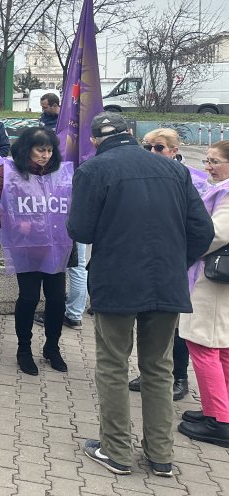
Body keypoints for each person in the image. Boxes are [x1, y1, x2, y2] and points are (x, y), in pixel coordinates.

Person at [68, 112, 212, 477]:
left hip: (116, 280)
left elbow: (80, 229)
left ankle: (116, 451)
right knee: (159, 368)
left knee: (113, 366)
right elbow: (202, 230)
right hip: (166, 282)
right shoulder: (176, 171)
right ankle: (160, 455)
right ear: (131, 134)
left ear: (96, 142)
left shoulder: (93, 170)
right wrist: (175, 262)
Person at [0, 127, 73, 375]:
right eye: (41, 150)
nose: (46, 155)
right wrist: (14, 223)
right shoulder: (8, 173)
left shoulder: (61, 174)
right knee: (29, 299)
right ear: (27, 148)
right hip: (27, 248)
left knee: (56, 300)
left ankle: (52, 348)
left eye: (50, 150)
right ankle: (24, 350)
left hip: (56, 248)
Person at [126, 128, 201, 400]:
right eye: (147, 148)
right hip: (147, 259)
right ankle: (151, 372)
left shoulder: (189, 178)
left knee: (177, 324)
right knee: (149, 320)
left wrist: (184, 256)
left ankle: (178, 376)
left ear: (174, 150)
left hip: (180, 262)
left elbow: (200, 226)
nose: (152, 153)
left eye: (159, 148)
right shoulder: (141, 174)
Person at [179, 140, 229, 446]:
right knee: (221, 349)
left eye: (214, 161)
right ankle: (219, 409)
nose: (207, 166)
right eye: (206, 160)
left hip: (211, 280)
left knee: (202, 346)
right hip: (218, 280)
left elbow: (215, 233)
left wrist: (181, 245)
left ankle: (219, 421)